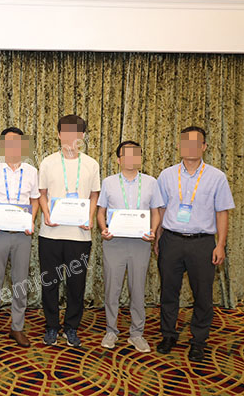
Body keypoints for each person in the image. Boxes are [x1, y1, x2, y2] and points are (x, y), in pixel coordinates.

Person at [154, 126, 234, 362]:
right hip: (171, 240)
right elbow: (161, 209)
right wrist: (158, 238)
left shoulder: (217, 177)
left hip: (202, 243)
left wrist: (220, 245)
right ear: (179, 146)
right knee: (168, 291)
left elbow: (222, 213)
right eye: (185, 142)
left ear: (204, 147)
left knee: (203, 295)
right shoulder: (166, 175)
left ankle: (198, 340)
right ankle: (168, 335)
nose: (189, 147)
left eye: (195, 143)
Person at [38, 114, 100, 347]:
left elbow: (94, 195)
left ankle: (71, 327)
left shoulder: (91, 164)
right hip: (50, 234)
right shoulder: (47, 162)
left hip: (80, 235)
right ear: (58, 134)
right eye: (65, 132)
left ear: (82, 136)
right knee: (50, 283)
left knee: (76, 284)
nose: (70, 136)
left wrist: (90, 218)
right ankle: (52, 326)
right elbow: (42, 194)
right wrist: (46, 213)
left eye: (75, 132)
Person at [96, 141, 164, 352]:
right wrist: (103, 229)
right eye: (126, 155)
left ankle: (137, 333)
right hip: (114, 242)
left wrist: (153, 230)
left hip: (140, 243)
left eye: (136, 154)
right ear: (119, 159)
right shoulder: (108, 182)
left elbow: (156, 211)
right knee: (112, 289)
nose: (131, 159)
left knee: (137, 289)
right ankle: (111, 331)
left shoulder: (151, 182)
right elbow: (100, 211)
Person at [0, 127, 40, 348]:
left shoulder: (31, 171)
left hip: (22, 235)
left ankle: (17, 328)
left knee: (20, 282)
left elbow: (35, 200)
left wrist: (31, 220)